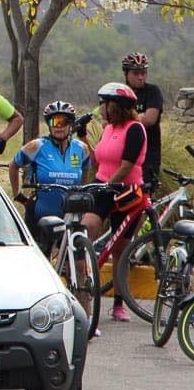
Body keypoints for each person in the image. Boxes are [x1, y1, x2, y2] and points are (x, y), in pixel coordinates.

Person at [79, 82, 147, 323]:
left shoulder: (135, 129)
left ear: (116, 106)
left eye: (104, 104)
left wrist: (110, 185)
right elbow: (99, 160)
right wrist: (83, 137)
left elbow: (127, 165)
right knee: (87, 226)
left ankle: (119, 304)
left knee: (121, 249)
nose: (101, 109)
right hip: (104, 185)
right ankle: (82, 276)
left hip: (126, 190)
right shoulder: (109, 129)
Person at [8, 101, 91, 250]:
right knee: (39, 257)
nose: (58, 126)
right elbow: (13, 165)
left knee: (77, 257)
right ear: (49, 124)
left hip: (71, 213)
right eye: (54, 121)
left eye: (63, 121)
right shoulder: (37, 146)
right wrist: (17, 194)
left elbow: (86, 169)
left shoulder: (81, 148)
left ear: (71, 124)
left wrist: (81, 189)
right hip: (41, 213)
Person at [121, 52, 164, 188]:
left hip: (149, 154)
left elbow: (150, 119)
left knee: (144, 195)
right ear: (126, 73)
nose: (140, 77)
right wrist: (138, 117)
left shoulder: (152, 91)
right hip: (123, 153)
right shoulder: (120, 92)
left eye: (143, 73)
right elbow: (106, 122)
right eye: (136, 73)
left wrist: (122, 120)